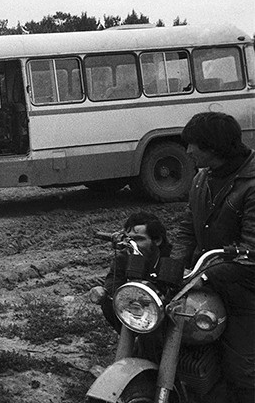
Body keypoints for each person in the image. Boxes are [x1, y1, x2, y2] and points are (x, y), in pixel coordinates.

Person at [173, 111, 255, 403]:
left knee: (242, 368)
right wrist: (173, 266)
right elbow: (187, 227)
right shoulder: (201, 178)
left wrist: (206, 274)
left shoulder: (251, 183)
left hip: (244, 288)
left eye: (193, 145)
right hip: (207, 278)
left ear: (214, 146)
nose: (187, 151)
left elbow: (251, 251)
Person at [89, 212, 170, 362]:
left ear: (157, 240)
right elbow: (112, 283)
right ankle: (134, 341)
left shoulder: (171, 258)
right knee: (107, 299)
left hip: (163, 315)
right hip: (136, 312)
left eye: (139, 239)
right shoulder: (123, 257)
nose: (132, 244)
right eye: (129, 239)